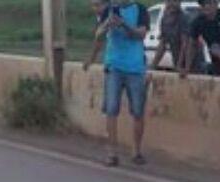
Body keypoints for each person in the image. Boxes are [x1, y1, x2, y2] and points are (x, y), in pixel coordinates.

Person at [93, 0, 150, 167]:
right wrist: (107, 26)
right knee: (111, 109)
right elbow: (98, 36)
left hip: (135, 67)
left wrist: (124, 24)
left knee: (138, 110)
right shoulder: (108, 10)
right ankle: (112, 153)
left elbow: (141, 34)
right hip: (114, 65)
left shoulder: (140, 10)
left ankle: (137, 151)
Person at [150, 0, 205, 74]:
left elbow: (185, 44)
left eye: (175, 1)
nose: (172, 4)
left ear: (179, 2)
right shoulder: (164, 19)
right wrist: (153, 66)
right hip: (178, 61)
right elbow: (162, 44)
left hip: (193, 64)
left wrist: (180, 65)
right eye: (169, 1)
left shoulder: (184, 18)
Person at [83, 0, 110, 72]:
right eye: (93, 5)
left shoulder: (110, 15)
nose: (94, 8)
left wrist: (91, 60)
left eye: (97, 5)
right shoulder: (101, 16)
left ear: (107, 4)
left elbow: (99, 40)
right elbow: (99, 41)